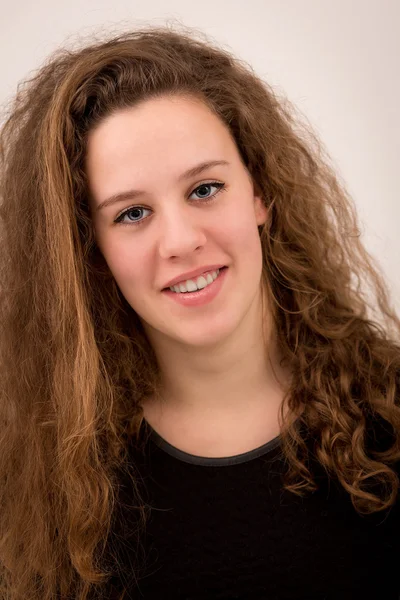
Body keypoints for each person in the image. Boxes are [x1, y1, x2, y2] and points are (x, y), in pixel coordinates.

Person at [0, 25, 399, 600]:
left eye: (205, 189)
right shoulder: (45, 491)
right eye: (133, 213)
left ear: (260, 191)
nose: (181, 241)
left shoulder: (391, 414)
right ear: (89, 250)